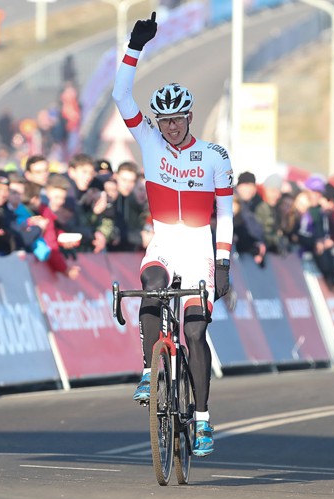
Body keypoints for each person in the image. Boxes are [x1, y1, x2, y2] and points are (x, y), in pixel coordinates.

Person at [112, 12, 234, 457]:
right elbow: (120, 94)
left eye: (178, 119)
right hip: (164, 239)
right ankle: (149, 370)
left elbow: (229, 212)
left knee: (196, 334)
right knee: (151, 287)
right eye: (164, 121)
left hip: (200, 245)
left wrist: (222, 264)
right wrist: (134, 46)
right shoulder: (147, 142)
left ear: (188, 117)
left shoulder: (214, 156)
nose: (171, 127)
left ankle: (201, 419)